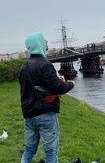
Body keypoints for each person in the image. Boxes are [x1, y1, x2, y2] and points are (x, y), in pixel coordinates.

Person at [19, 32, 75, 163]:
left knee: (29, 150)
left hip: (29, 115)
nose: (47, 41)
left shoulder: (23, 67)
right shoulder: (45, 65)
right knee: (50, 151)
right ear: (39, 44)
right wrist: (70, 84)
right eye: (44, 40)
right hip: (45, 114)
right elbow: (59, 88)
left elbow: (29, 89)